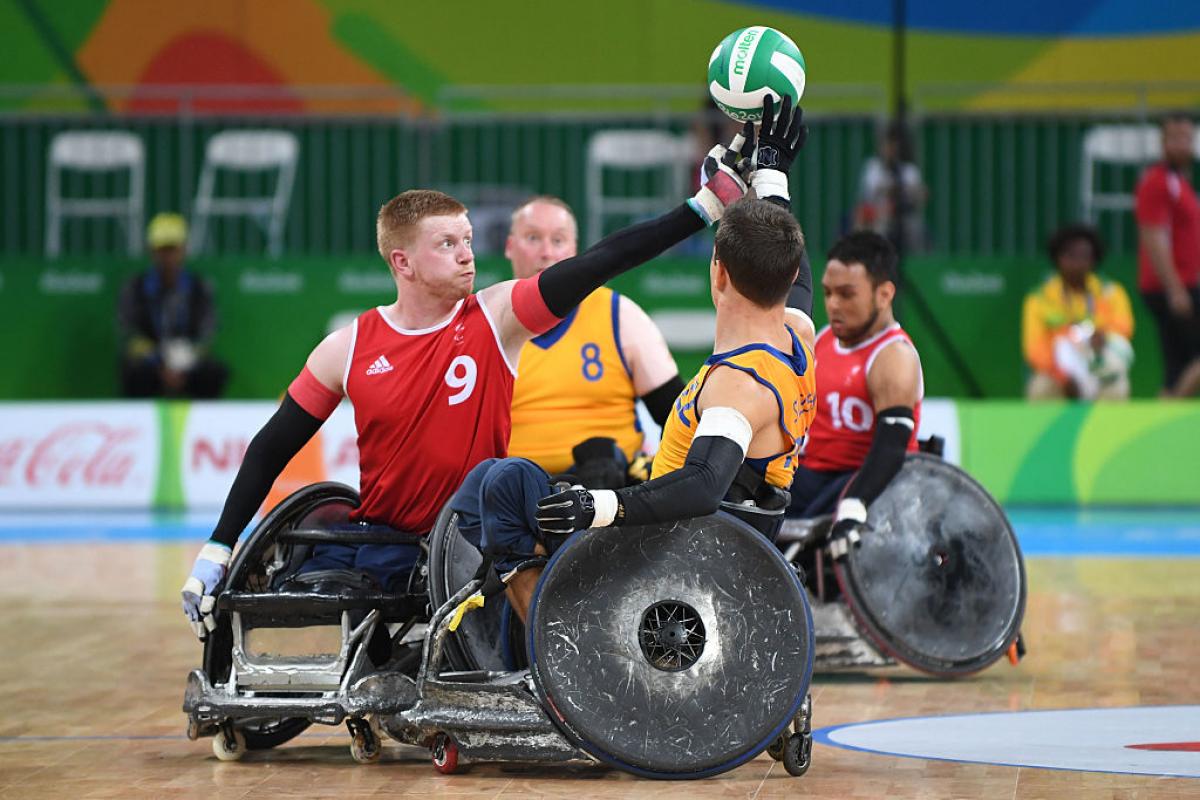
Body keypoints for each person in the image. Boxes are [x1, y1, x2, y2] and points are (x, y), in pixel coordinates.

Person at [179, 125, 757, 640]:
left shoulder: (497, 316)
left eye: (468, 239)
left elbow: (599, 261)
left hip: (468, 541)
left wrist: (702, 207)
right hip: (385, 540)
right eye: (447, 244)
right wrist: (218, 545)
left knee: (503, 477)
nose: (467, 255)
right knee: (301, 548)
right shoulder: (347, 347)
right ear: (402, 263)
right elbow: (271, 446)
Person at [451, 96, 815, 623]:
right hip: (706, 545)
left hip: (665, 557)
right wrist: (771, 178)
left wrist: (601, 505)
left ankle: (543, 640)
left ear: (717, 275)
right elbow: (789, 268)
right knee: (497, 482)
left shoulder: (738, 384)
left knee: (503, 483)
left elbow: (703, 483)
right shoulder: (797, 337)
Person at [504, 195, 683, 484]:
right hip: (512, 490)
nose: (546, 252)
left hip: (608, 492)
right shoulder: (487, 322)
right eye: (533, 238)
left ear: (575, 250)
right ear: (509, 247)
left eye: (558, 240)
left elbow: (677, 419)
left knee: (600, 466)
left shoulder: (620, 315)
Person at [785, 230, 923, 560]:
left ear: (884, 294)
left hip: (863, 481)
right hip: (810, 477)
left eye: (847, 294)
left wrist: (854, 504)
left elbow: (891, 447)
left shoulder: (894, 356)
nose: (833, 305)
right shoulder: (822, 340)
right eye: (829, 293)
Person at [118, 213, 229, 398]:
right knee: (132, 372)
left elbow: (207, 331)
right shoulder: (135, 288)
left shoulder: (199, 287)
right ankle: (136, 422)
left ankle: (208, 423)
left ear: (183, 250)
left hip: (188, 360)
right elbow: (129, 332)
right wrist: (159, 362)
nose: (167, 256)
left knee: (214, 373)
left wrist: (184, 360)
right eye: (162, 249)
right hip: (151, 363)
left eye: (172, 249)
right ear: (152, 251)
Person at [1022, 224, 1134, 400]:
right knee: (1040, 388)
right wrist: (1063, 376)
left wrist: (1102, 337)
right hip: (1058, 372)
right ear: (1057, 258)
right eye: (1070, 256)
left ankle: (1109, 428)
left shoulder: (1111, 292)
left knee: (1117, 385)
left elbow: (1123, 328)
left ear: (1094, 259)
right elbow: (1034, 348)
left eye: (1084, 256)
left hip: (1099, 364)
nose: (1077, 263)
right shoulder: (1039, 298)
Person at [1135, 113, 1200, 397]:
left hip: (1186, 284)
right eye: (1175, 138)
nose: (1182, 145)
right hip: (1171, 288)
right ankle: (1166, 416)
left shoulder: (1181, 182)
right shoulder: (1156, 182)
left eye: (1187, 138)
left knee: (1179, 365)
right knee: (1181, 364)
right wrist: (1174, 289)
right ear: (1162, 143)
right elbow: (1153, 237)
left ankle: (1167, 418)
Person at [854, 121, 928, 252]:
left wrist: (908, 193)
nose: (890, 150)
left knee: (915, 228)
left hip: (904, 216)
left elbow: (922, 194)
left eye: (894, 146)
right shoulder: (873, 167)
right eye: (887, 146)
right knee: (876, 226)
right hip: (878, 216)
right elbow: (869, 195)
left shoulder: (909, 170)